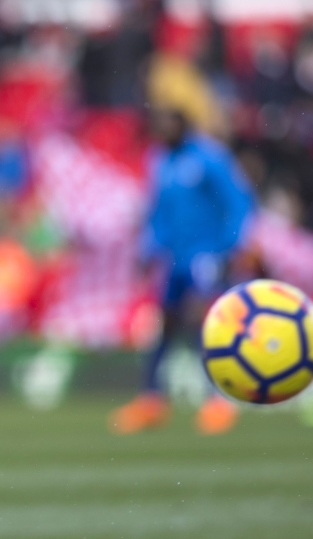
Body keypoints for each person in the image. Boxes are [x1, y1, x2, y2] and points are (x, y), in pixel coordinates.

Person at [109, 106, 254, 435]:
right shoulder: (159, 160)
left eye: (169, 123)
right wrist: (148, 249)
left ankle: (218, 400)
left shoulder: (209, 157)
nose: (163, 130)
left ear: (183, 125)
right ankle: (152, 400)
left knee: (207, 325)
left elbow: (238, 202)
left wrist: (232, 247)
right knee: (166, 326)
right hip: (174, 258)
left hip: (207, 256)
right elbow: (158, 211)